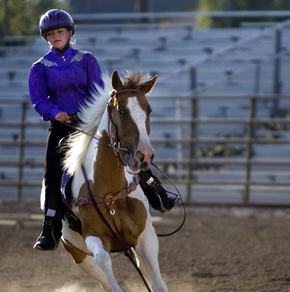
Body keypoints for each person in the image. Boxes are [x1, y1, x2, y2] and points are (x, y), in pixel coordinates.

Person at [28, 9, 179, 251]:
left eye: (60, 31)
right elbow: (38, 99)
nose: (56, 36)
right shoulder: (40, 67)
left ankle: (157, 192)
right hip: (62, 126)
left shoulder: (87, 59)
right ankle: (50, 228)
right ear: (45, 37)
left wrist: (89, 113)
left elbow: (98, 91)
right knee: (53, 170)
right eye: (51, 33)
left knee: (125, 149)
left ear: (69, 33)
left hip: (89, 122)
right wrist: (55, 112)